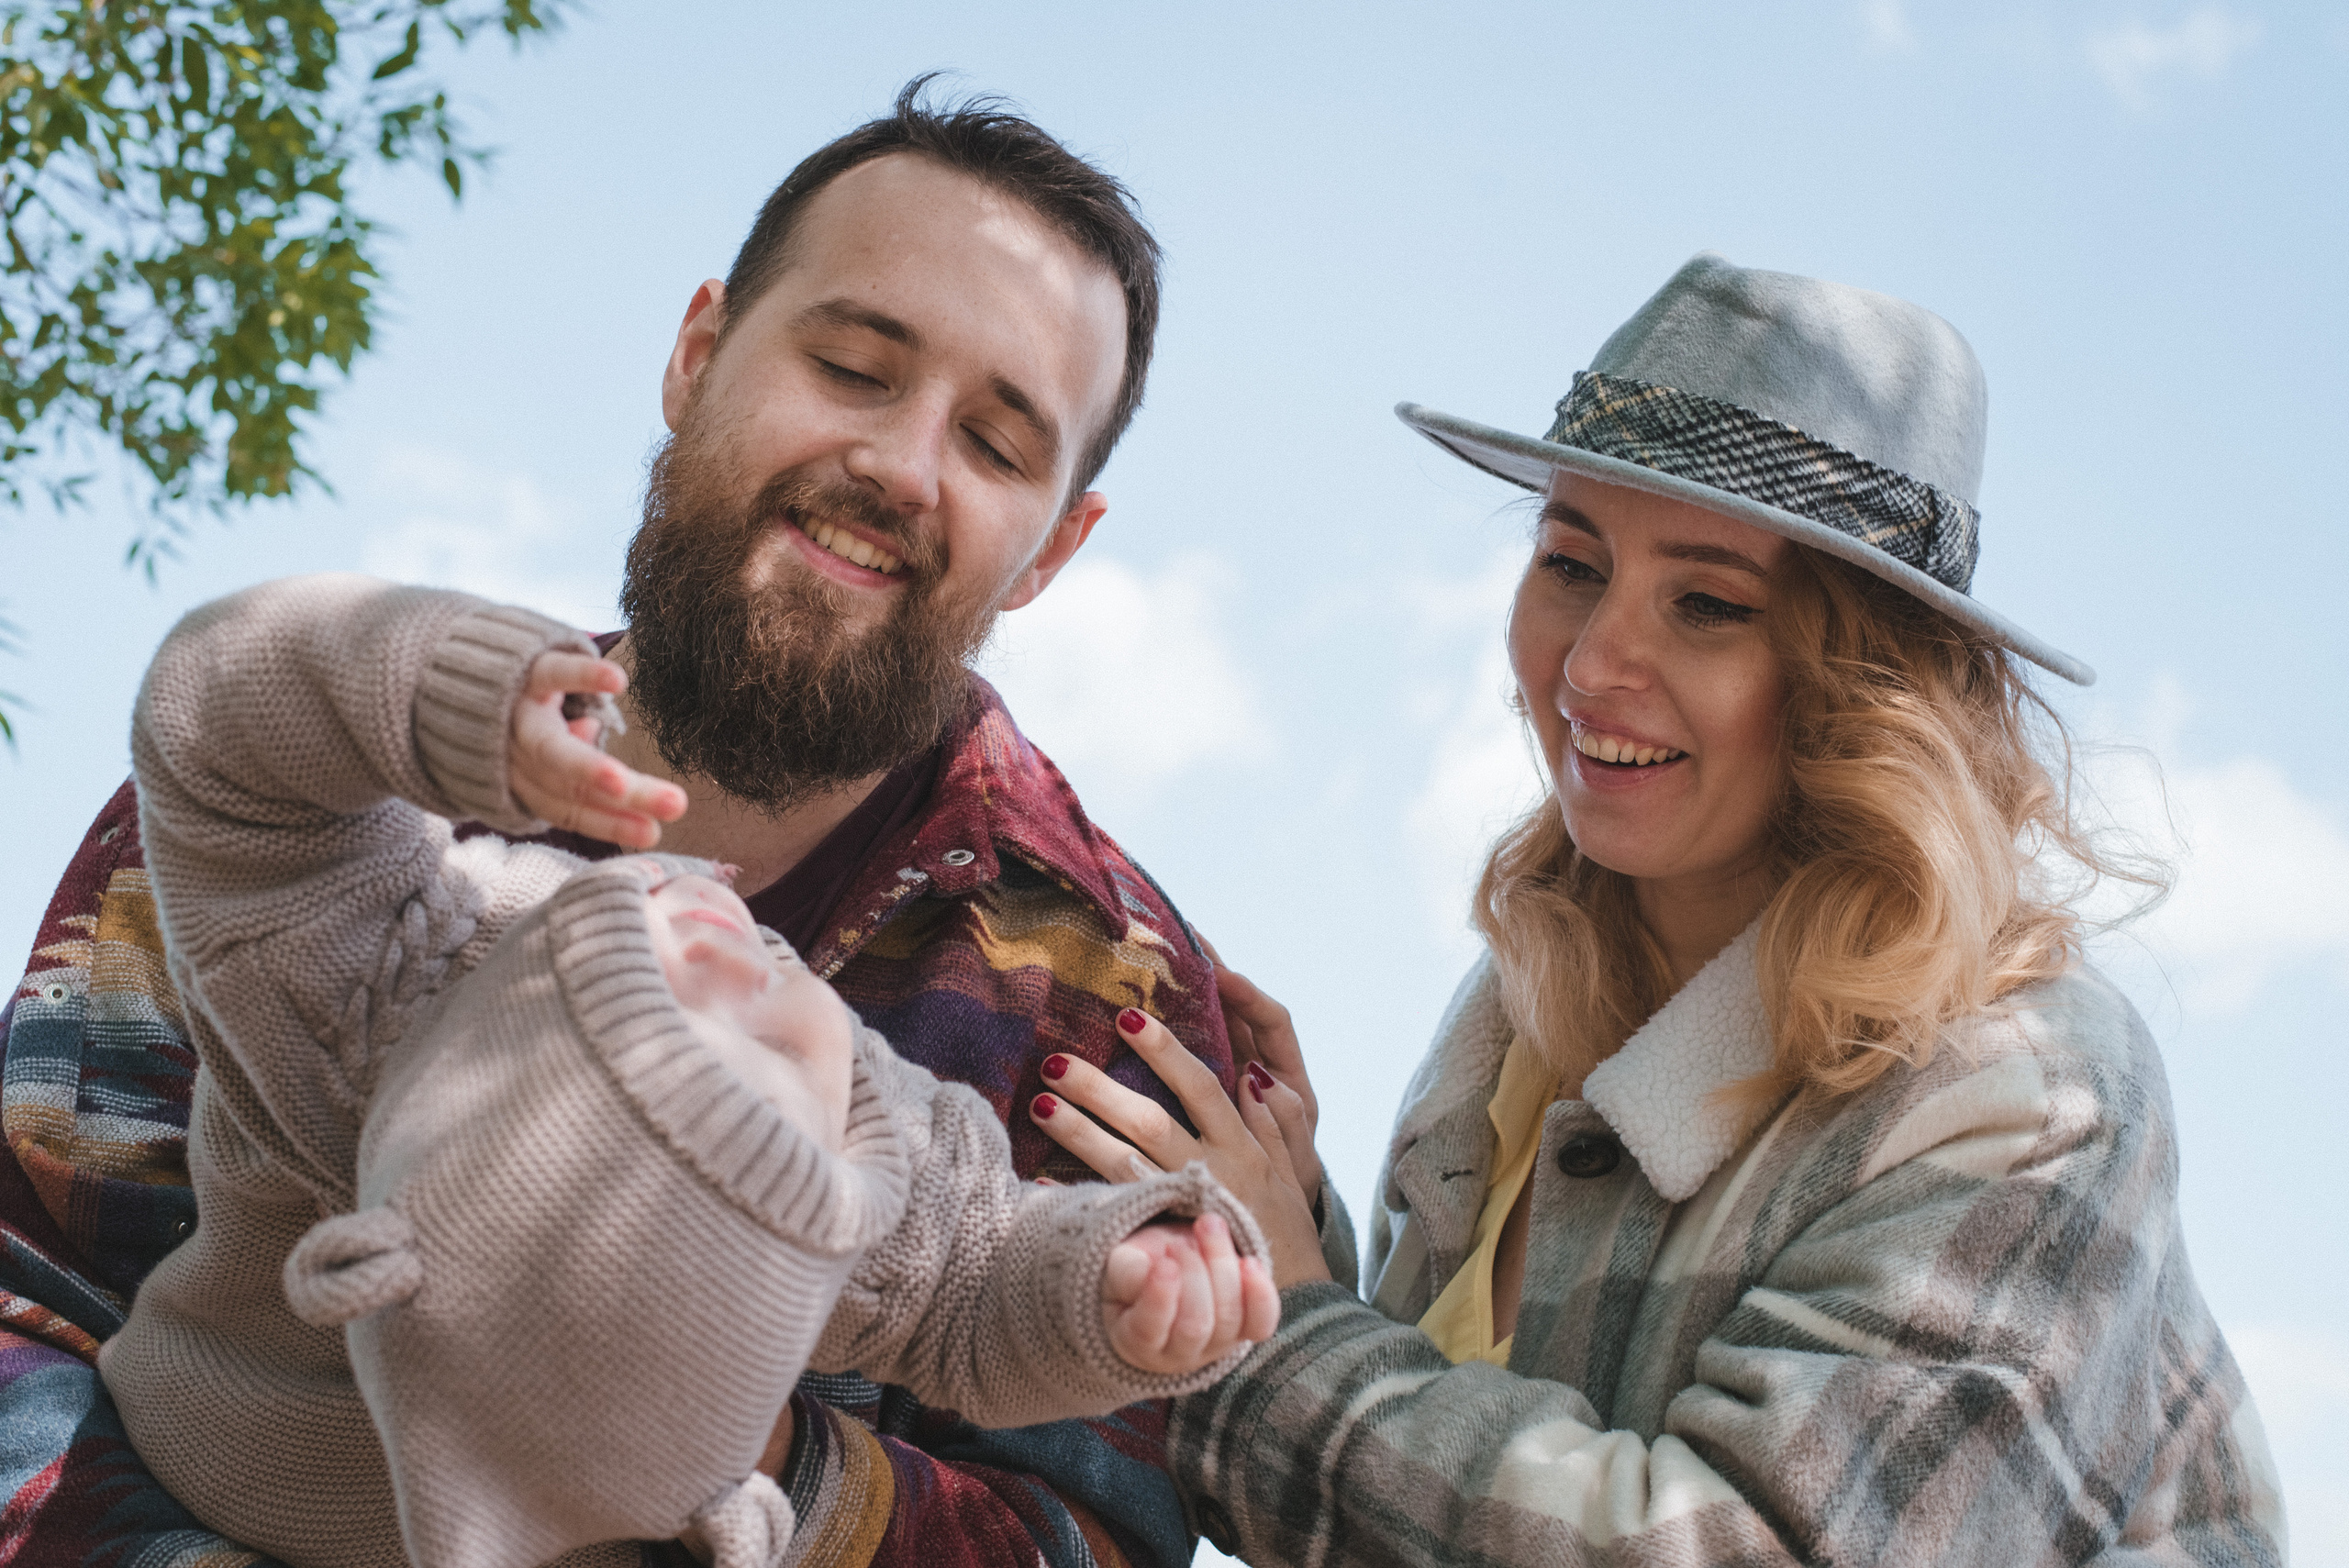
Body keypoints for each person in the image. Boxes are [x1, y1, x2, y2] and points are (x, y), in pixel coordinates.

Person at [0, 81, 1290, 1568]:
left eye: (998, 446)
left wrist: (699, 1442)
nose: (902, 463)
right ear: (697, 356)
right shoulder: (351, 810)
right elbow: (30, 1278)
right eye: (856, 365)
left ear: (1056, 547)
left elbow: (1072, 1517)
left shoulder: (1101, 997)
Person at [1024, 254, 2290, 1565]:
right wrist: (1279, 1217)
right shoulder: (1535, 989)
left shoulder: (2031, 1088)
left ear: (1867, 681)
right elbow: (1455, 1441)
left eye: (1706, 604)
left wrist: (1274, 1325)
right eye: (1572, 562)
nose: (1589, 665)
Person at [100, 573, 1276, 1568]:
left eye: (639, 1018)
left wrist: (449, 693)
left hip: (210, 1426)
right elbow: (975, 1294)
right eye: (765, 1061)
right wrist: (1113, 1288)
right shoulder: (844, 1183)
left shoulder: (377, 986)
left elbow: (211, 731)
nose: (729, 959)